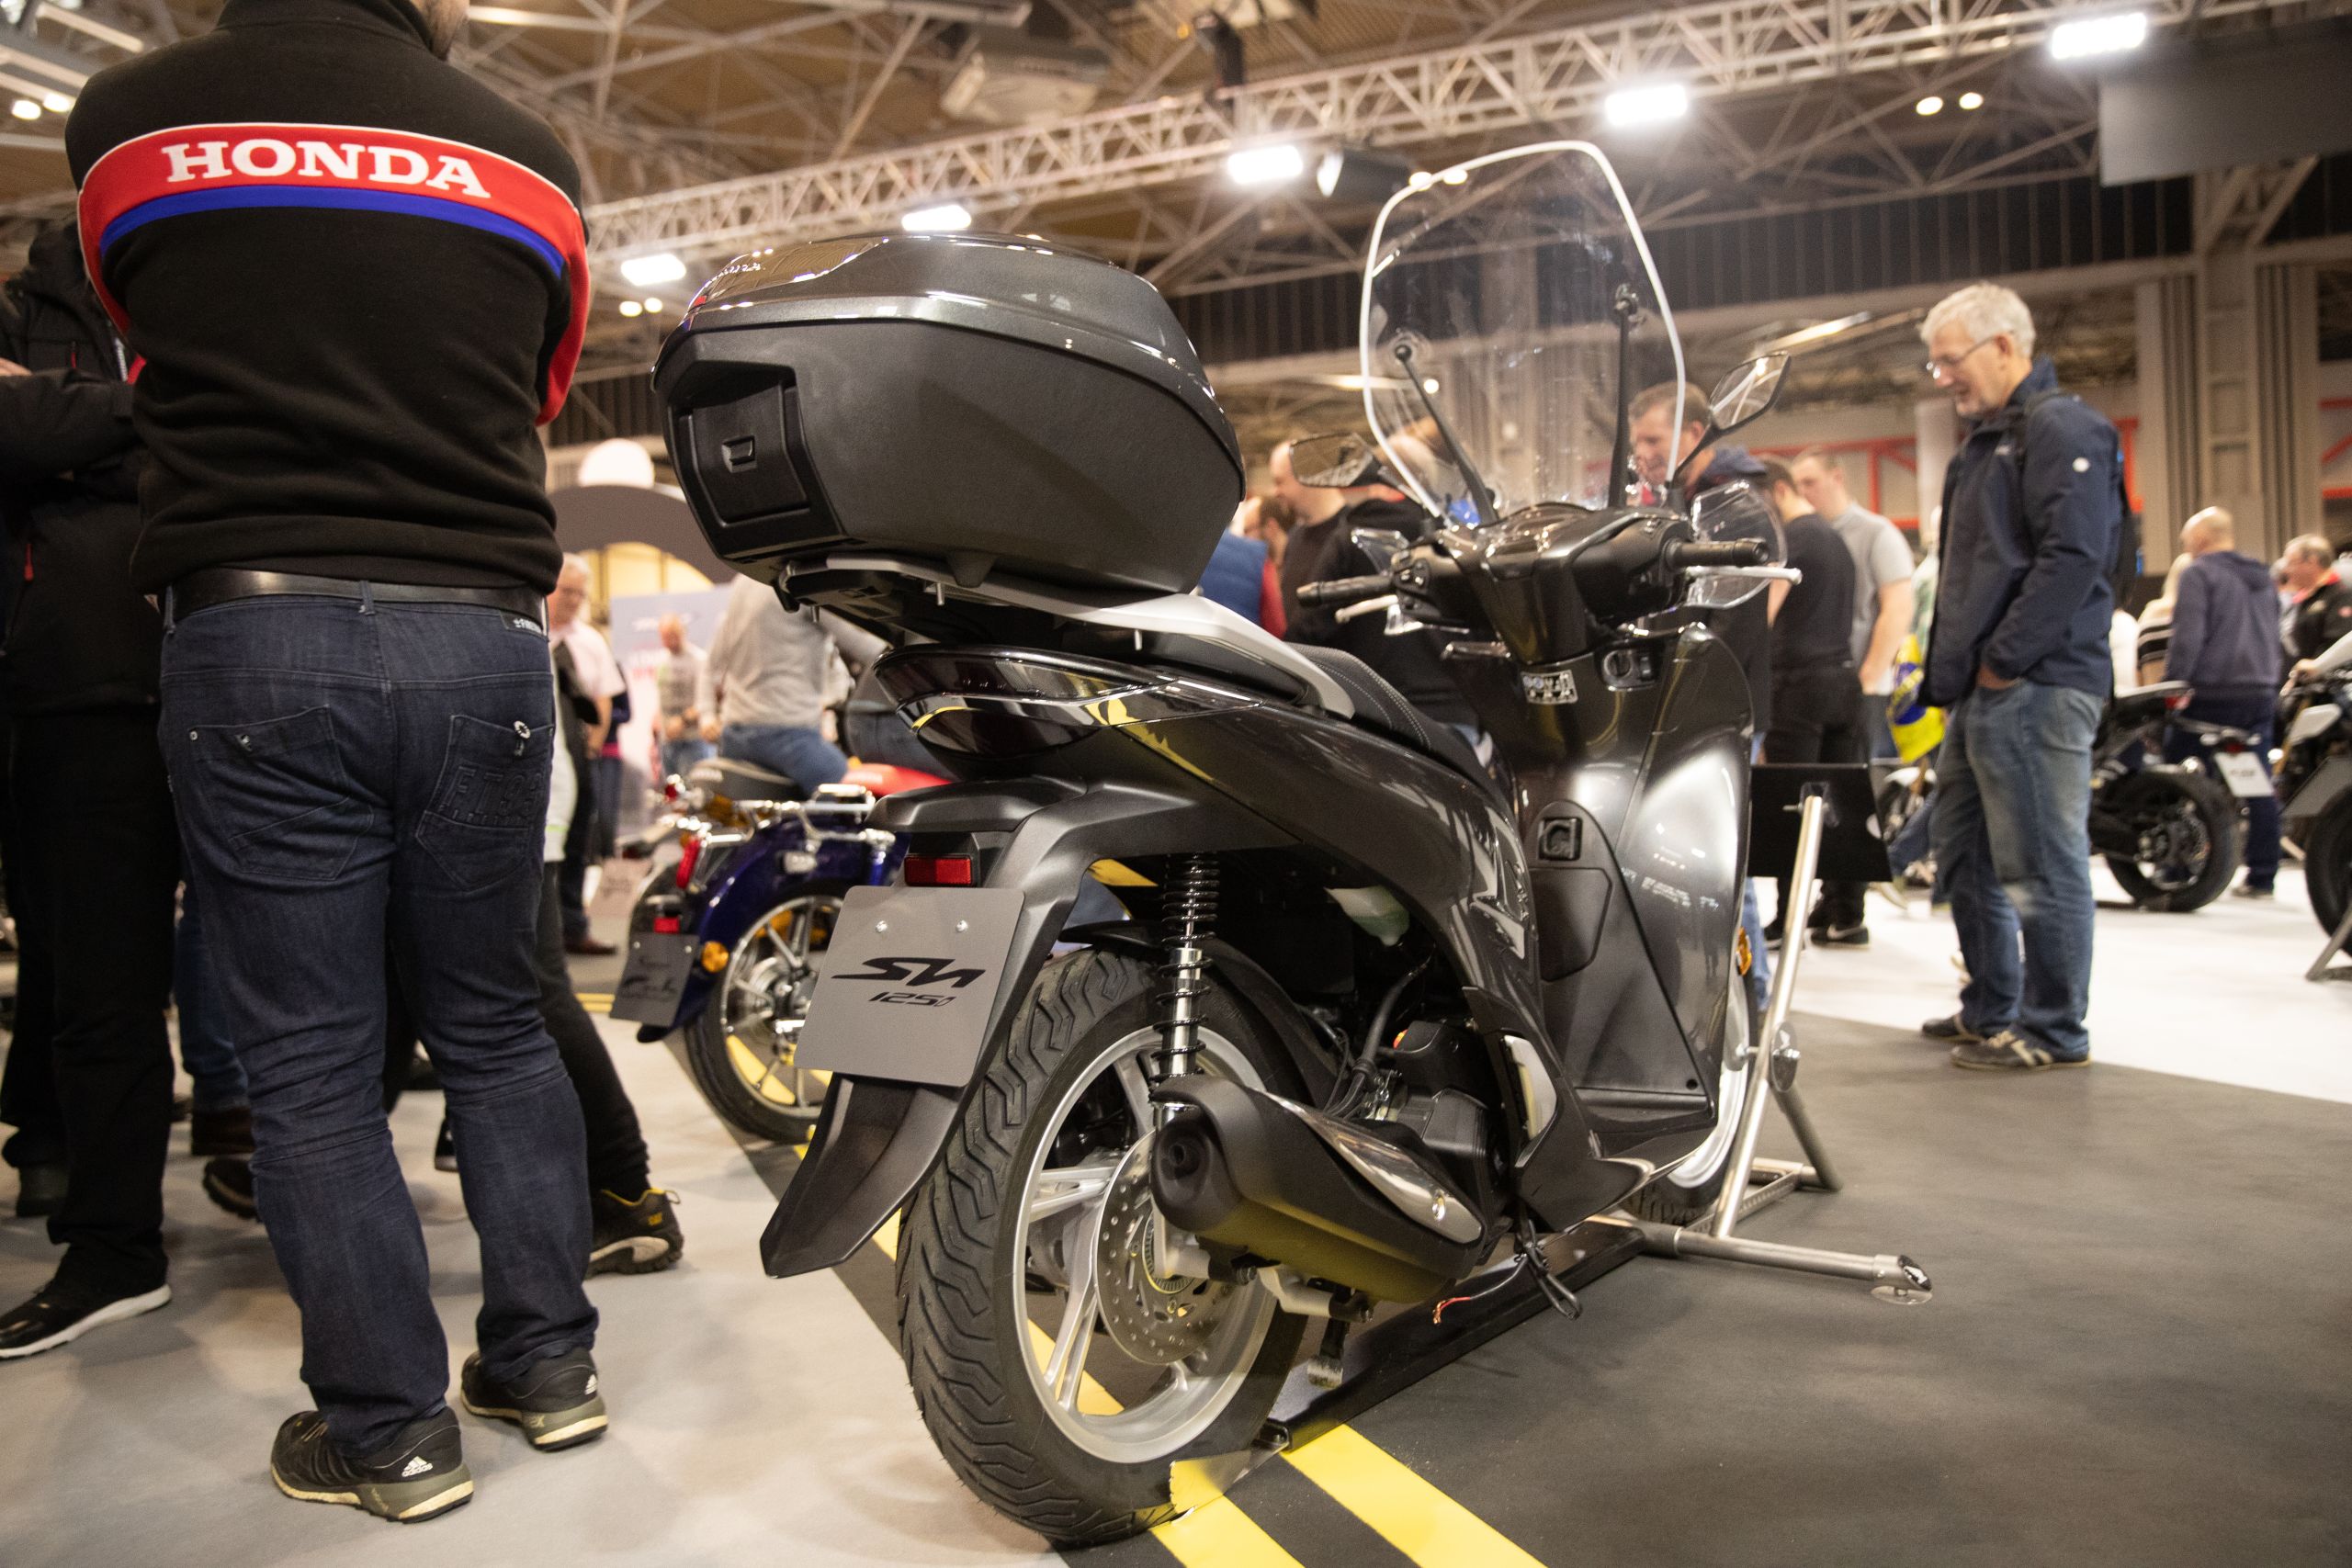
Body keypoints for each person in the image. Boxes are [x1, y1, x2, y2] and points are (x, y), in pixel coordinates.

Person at [66, 0, 606, 1519]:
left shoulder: (130, 122)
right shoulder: (532, 159)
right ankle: (550, 1367)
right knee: (499, 1024)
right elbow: (538, 392)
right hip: (485, 634)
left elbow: (142, 338)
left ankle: (392, 1435)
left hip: (260, 629)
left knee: (307, 1058)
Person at [0, 221, 184, 1359]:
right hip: (75, 688)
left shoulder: (196, 300)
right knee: (93, 979)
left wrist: (74, 433)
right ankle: (110, 1240)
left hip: (223, 668)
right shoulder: (29, 310)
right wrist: (155, 421)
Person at [1917, 283, 2122, 1073]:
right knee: (1962, 851)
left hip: (2034, 681)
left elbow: (2074, 557)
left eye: (1951, 361)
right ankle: (1992, 1005)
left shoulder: (2061, 425)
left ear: (2004, 346)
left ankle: (2052, 1026)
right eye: (1936, 365)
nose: (1944, 378)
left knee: (2039, 857)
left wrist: (2004, 660)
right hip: (1985, 687)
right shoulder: (1986, 440)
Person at [1631, 381, 1778, 1010]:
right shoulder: (1681, 502)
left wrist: (1684, 689)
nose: (1642, 453)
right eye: (1638, 441)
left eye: (1654, 440)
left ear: (1694, 434)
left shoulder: (1733, 506)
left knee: (1722, 863)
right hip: (1691, 701)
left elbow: (1733, 620)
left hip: (1720, 703)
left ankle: (1751, 995)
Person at [1758, 458, 1869, 947]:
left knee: (1792, 804)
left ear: (1777, 492)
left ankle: (1786, 921)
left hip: (1799, 687)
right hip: (1843, 682)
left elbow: (1767, 608)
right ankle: (1847, 915)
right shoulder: (1835, 541)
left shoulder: (1793, 541)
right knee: (1840, 806)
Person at [2163, 507, 2283, 899]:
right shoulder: (2263, 577)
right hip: (2259, 692)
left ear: (2200, 539)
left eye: (2186, 543)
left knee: (2175, 777)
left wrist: (2170, 688)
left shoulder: (2200, 574)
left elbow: (2188, 638)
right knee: (2256, 782)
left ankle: (2176, 864)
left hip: (2211, 694)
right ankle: (2263, 875)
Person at [700, 571, 885, 791]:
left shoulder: (742, 582)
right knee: (855, 797)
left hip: (734, 737)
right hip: (788, 735)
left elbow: (711, 664)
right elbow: (867, 646)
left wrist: (707, 715)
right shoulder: (800, 579)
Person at [1792, 449, 1914, 758]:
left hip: (1862, 686)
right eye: (1798, 486)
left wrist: (1869, 679)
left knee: (1855, 784)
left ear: (1837, 478)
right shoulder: (1799, 537)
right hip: (1814, 691)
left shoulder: (1877, 533)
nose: (1804, 493)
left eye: (1810, 482)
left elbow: (1898, 608)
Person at [549, 556, 625, 955]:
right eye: (568, 591)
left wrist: (592, 748)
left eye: (581, 593)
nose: (575, 599)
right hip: (538, 756)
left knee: (578, 840)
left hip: (578, 757)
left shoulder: (591, 642)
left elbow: (602, 701)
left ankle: (573, 927)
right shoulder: (534, 632)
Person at [1269, 439, 1352, 625]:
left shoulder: (1350, 535)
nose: (1275, 492)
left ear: (1305, 473)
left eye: (1279, 481)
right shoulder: (1295, 536)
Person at [652, 612, 712, 779]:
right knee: (672, 795)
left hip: (693, 741)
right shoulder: (661, 661)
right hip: (667, 741)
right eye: (665, 637)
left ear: (683, 632)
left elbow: (707, 701)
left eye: (673, 636)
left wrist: (683, 720)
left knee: (692, 794)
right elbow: (661, 697)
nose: (669, 641)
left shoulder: (699, 660)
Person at [2280, 534, 2352, 662]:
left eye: (2291, 563)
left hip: (2319, 680)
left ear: (2311, 562)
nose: (2286, 570)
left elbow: (2335, 644)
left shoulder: (2341, 595)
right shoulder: (2302, 598)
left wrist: (2308, 672)